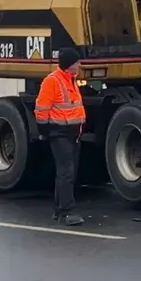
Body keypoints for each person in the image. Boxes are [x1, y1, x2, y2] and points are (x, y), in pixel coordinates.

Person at [35, 48, 86, 227]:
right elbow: (41, 109)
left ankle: (59, 210)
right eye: (77, 62)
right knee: (66, 172)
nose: (80, 65)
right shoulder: (53, 81)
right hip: (59, 133)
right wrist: (45, 131)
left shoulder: (71, 80)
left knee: (67, 172)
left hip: (73, 134)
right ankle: (67, 212)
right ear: (69, 64)